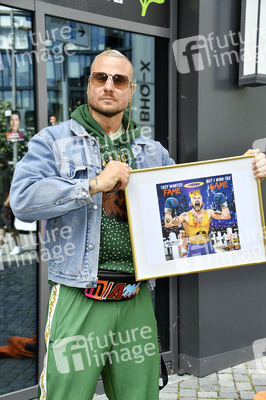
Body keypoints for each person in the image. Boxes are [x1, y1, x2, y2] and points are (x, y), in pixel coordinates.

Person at [9, 49, 266, 400]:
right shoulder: (53, 143)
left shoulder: (152, 152)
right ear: (89, 86)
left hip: (136, 297)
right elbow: (22, 201)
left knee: (140, 395)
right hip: (80, 295)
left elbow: (195, 194)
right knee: (64, 395)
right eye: (101, 78)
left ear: (131, 91)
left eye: (119, 80)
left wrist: (245, 173)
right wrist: (92, 185)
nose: (109, 86)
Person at [164, 189, 231, 257]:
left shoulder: (209, 213)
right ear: (191, 203)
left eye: (199, 198)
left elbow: (226, 216)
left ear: (202, 202)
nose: (197, 200)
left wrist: (223, 203)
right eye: (194, 198)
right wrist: (168, 209)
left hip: (207, 246)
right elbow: (168, 224)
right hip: (193, 248)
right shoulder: (185, 216)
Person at [0, 152, 21, 256]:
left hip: (7, 201)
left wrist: (8, 200)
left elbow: (13, 187)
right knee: (0, 226)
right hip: (0, 200)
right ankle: (0, 248)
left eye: (2, 159)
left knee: (10, 226)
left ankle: (17, 246)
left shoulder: (10, 170)